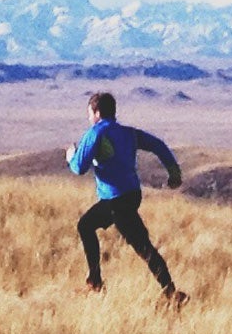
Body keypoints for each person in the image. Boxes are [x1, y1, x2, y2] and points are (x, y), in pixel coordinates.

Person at [67, 91, 187, 306]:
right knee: (132, 241)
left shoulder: (95, 134)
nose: (89, 118)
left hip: (115, 199)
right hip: (133, 194)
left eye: (89, 114)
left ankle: (169, 292)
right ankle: (169, 291)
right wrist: (174, 173)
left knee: (94, 229)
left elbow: (79, 168)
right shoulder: (129, 133)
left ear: (96, 112)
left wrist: (70, 156)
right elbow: (158, 145)